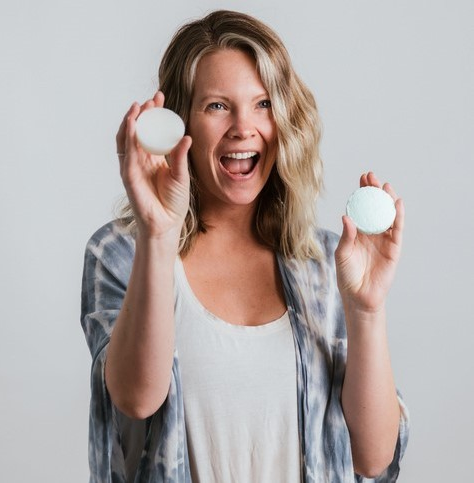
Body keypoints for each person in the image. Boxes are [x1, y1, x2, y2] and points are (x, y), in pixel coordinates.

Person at [81, 9, 409, 483]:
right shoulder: (119, 254)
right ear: (179, 123)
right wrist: (158, 232)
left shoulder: (324, 265)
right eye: (217, 106)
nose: (243, 126)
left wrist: (366, 310)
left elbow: (374, 459)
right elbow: (135, 398)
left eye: (263, 104)